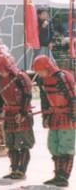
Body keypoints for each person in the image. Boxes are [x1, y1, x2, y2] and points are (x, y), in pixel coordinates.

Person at [33, 55, 75, 187]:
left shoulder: (62, 77)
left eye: (40, 70)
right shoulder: (43, 80)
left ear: (47, 67)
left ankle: (63, 177)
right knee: (53, 145)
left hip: (67, 116)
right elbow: (44, 100)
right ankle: (57, 175)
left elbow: (72, 98)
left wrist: (74, 117)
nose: (39, 74)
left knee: (66, 146)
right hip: (54, 116)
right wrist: (45, 117)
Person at [0, 54, 34, 180]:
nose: (0, 73)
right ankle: (14, 169)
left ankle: (22, 171)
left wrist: (23, 113)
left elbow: (27, 95)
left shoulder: (20, 77)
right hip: (9, 113)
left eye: (2, 70)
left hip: (21, 113)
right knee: (11, 144)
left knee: (23, 144)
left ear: (7, 67)